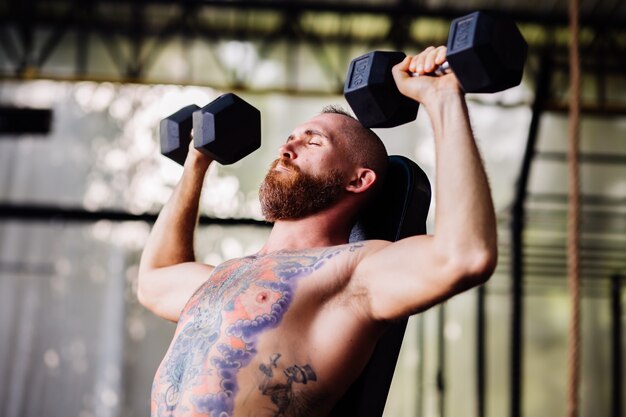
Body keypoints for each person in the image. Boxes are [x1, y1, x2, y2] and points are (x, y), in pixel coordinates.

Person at [138, 46, 498, 417]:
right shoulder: (225, 275)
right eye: (291, 138)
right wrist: (197, 162)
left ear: (358, 180)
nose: (286, 148)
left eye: (313, 141)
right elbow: (154, 279)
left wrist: (442, 99)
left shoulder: (351, 274)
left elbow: (465, 255)